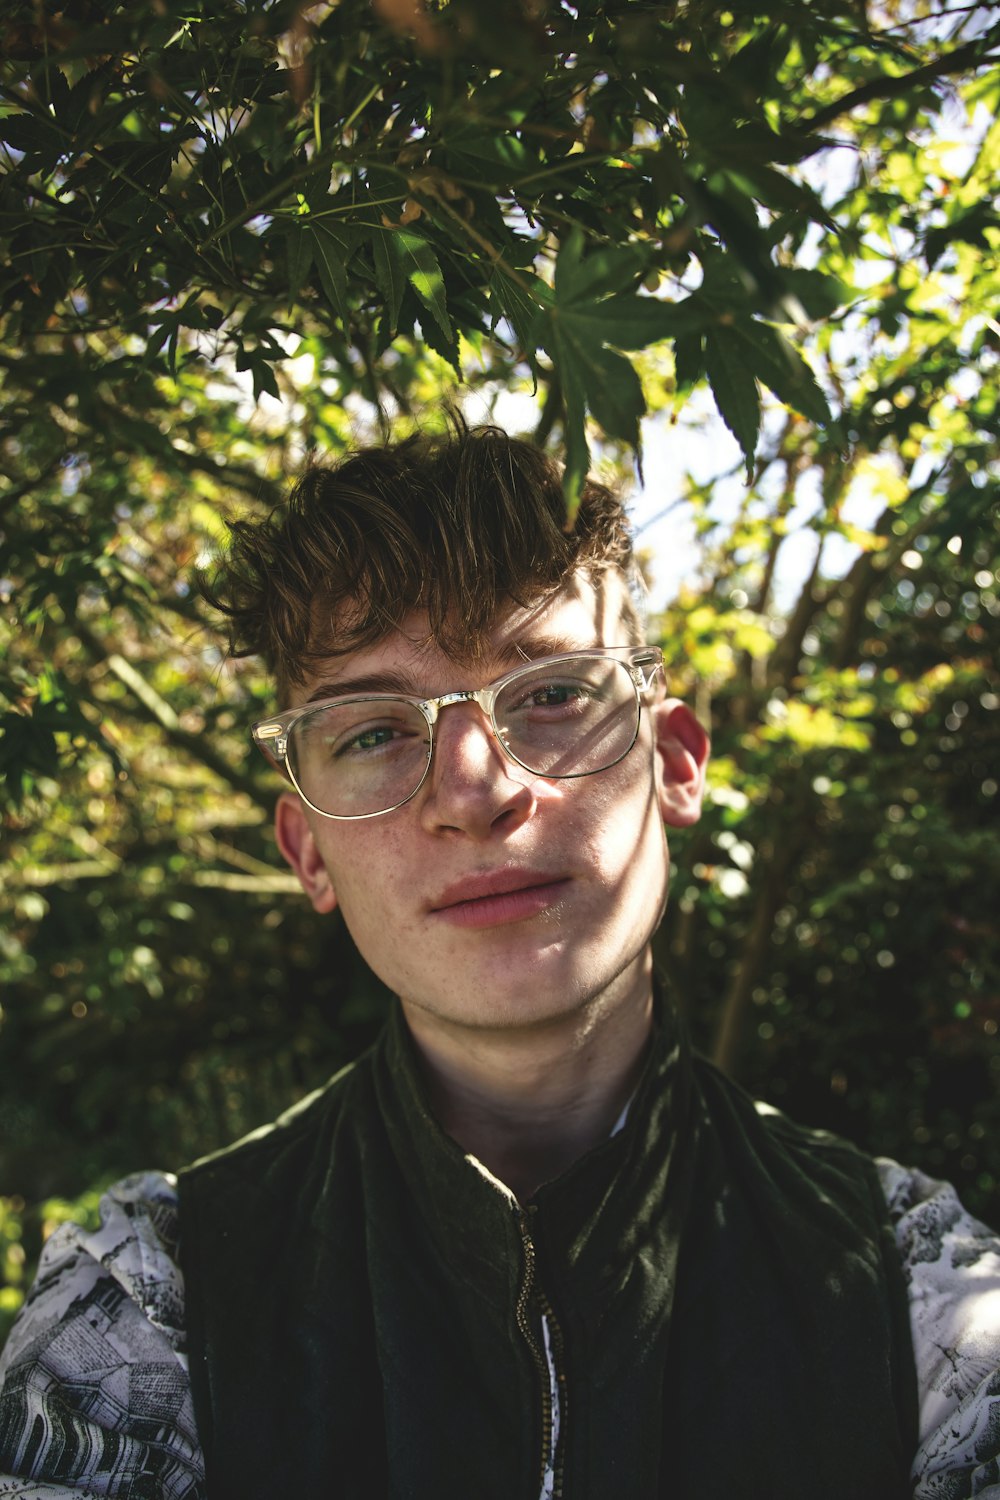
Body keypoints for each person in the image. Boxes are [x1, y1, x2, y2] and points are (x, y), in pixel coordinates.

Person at [1, 425, 998, 1500]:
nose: (473, 790)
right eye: (375, 731)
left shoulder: (920, 1290)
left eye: (552, 694)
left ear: (673, 765)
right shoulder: (151, 1301)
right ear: (309, 852)